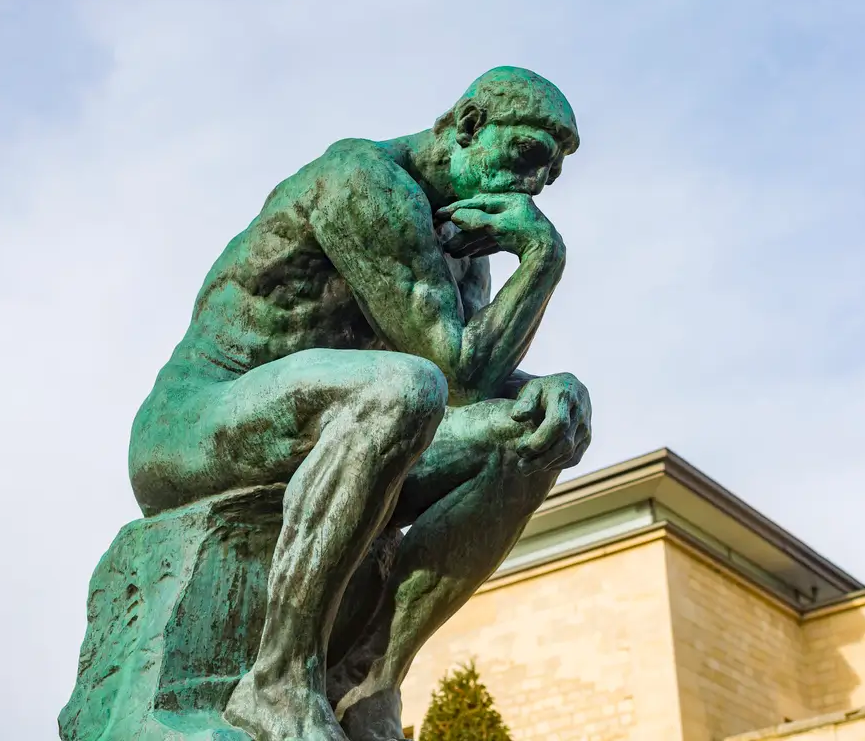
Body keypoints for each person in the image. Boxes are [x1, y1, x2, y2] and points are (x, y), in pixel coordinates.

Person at [127, 66, 593, 741]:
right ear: (467, 126)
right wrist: (544, 258)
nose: (529, 189)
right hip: (199, 424)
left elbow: (478, 384)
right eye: (523, 159)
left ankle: (368, 680)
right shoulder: (363, 179)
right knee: (405, 388)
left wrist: (548, 393)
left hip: (337, 430)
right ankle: (279, 680)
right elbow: (452, 369)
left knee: (539, 426)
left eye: (545, 179)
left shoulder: (464, 246)